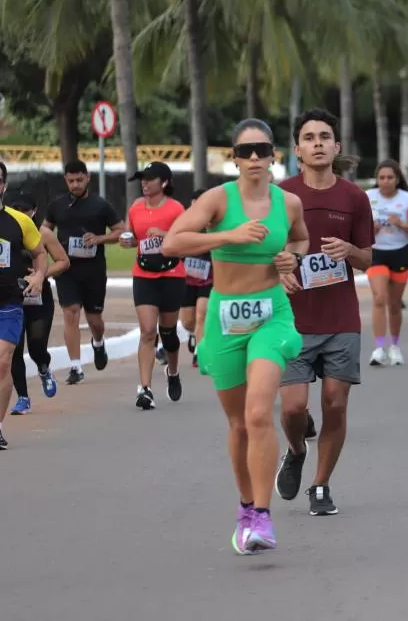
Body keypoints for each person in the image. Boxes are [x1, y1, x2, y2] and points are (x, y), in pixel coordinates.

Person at [162, 118, 308, 554]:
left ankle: (262, 518)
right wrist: (229, 235)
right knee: (239, 423)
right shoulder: (217, 200)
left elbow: (300, 240)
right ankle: (246, 507)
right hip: (225, 317)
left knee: (261, 411)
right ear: (234, 158)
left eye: (262, 150)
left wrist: (289, 259)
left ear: (274, 155)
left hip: (271, 315)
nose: (254, 158)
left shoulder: (290, 203)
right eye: (245, 151)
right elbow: (172, 243)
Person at [274, 109, 374, 517]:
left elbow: (367, 258)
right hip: (292, 319)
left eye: (325, 136)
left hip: (340, 320)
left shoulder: (354, 197)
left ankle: (321, 485)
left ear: (337, 147)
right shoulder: (281, 196)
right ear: (297, 149)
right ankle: (296, 450)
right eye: (309, 137)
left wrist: (348, 252)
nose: (317, 143)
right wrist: (278, 271)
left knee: (335, 403)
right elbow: (262, 252)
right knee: (295, 407)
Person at [43, 159, 126, 385]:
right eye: (71, 181)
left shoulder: (101, 205)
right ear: (65, 181)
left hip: (94, 270)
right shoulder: (57, 206)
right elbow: (44, 230)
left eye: (79, 180)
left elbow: (121, 231)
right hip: (66, 269)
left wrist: (100, 238)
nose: (75, 185)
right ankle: (76, 367)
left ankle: (98, 343)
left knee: (94, 319)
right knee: (70, 312)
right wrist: (48, 249)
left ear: (88, 178)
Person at [119, 162, 187, 409]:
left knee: (167, 333)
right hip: (144, 274)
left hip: (171, 274)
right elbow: (134, 236)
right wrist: (128, 240)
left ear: (164, 182)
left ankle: (173, 371)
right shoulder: (136, 207)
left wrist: (165, 235)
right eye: (142, 179)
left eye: (149, 179)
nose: (144, 183)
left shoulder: (176, 209)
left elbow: (187, 240)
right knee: (148, 330)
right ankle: (145, 389)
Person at [0, 162, 48, 449]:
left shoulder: (19, 220)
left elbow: (39, 252)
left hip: (8, 302)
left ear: (3, 185)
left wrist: (40, 274)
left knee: (3, 361)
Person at [8, 195, 70, 415]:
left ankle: (44, 368)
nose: (22, 214)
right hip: (12, 297)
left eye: (26, 210)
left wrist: (41, 275)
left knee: (36, 345)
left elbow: (63, 261)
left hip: (38, 298)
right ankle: (23, 398)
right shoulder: (8, 229)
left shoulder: (43, 234)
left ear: (34, 212)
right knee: (13, 350)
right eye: (17, 209)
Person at [366, 160, 408, 366]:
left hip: (400, 253)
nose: (385, 181)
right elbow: (358, 230)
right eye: (381, 177)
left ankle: (395, 346)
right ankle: (379, 348)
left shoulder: (406, 199)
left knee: (394, 304)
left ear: (397, 179)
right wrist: (372, 230)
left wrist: (401, 224)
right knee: (379, 298)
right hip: (377, 254)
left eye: (390, 177)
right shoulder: (368, 197)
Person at [180, 188, 212, 367]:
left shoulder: (215, 223)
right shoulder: (184, 222)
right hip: (188, 277)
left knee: (202, 313)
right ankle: (193, 334)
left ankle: (200, 352)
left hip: (209, 276)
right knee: (187, 321)